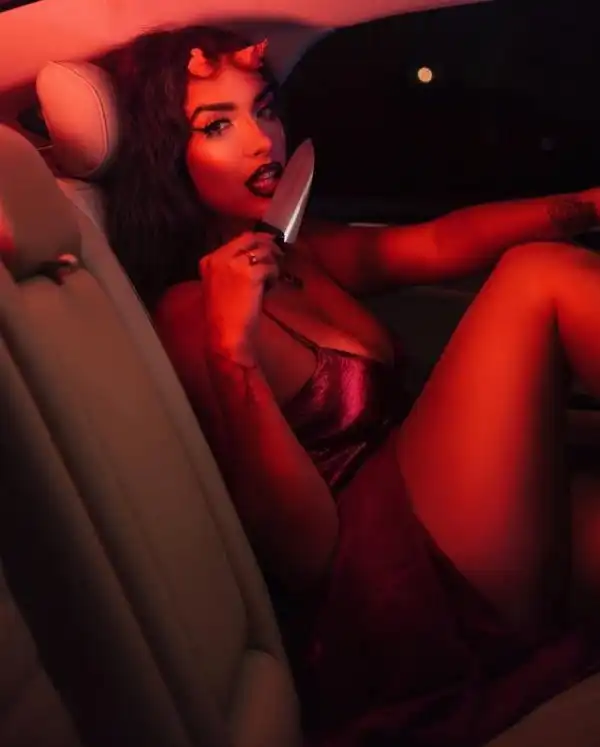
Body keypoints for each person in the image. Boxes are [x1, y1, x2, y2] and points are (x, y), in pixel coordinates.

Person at [99, 24, 600, 747]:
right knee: (536, 277)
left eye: (263, 109)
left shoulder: (294, 248)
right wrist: (232, 351)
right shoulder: (189, 313)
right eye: (218, 125)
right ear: (166, 157)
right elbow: (304, 556)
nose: (262, 141)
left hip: (436, 518)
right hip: (381, 597)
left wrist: (586, 203)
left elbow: (433, 244)